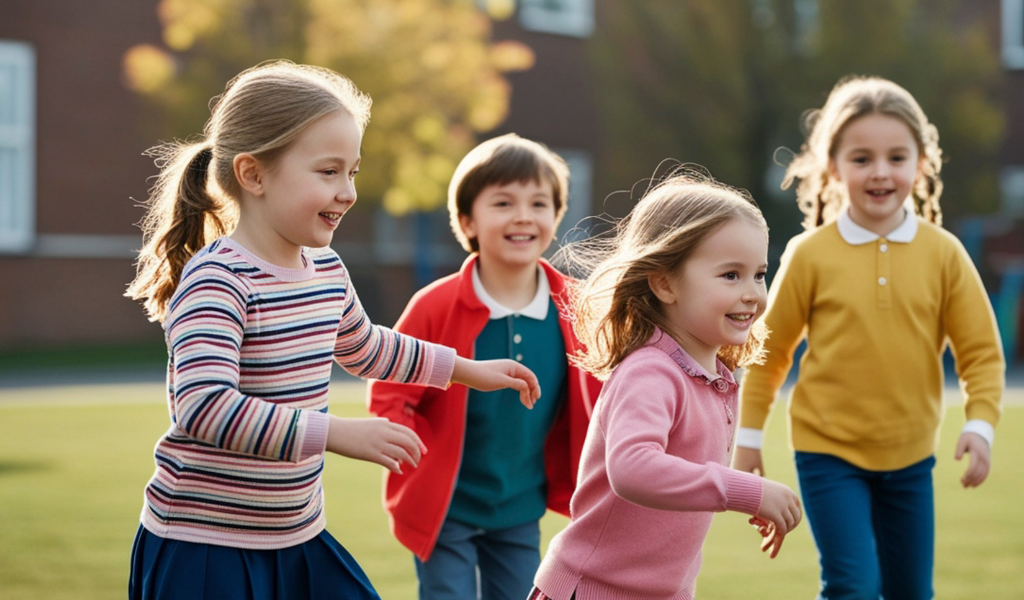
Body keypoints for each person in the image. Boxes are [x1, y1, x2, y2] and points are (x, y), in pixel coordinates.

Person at [123, 60, 541, 600]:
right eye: (328, 172)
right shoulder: (218, 279)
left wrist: (465, 370)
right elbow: (205, 407)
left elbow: (366, 347)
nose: (348, 192)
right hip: (205, 547)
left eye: (353, 172)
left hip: (296, 534)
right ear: (253, 175)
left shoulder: (325, 269)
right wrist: (338, 434)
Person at [733, 76, 1005, 600]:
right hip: (826, 453)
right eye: (861, 158)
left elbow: (981, 354)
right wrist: (748, 439)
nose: (880, 171)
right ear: (833, 166)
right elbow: (767, 354)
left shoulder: (944, 254)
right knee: (853, 586)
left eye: (896, 157)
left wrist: (981, 424)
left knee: (911, 592)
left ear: (920, 164)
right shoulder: (809, 255)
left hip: (911, 458)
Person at [529, 172, 803, 600]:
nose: (752, 293)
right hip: (590, 591)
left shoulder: (715, 378)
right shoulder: (650, 372)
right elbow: (633, 468)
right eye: (731, 275)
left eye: (759, 274)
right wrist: (744, 491)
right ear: (664, 283)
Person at [367, 133, 602, 600]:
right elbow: (391, 392)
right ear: (467, 220)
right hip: (446, 508)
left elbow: (604, 395)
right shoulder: (434, 306)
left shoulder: (578, 308)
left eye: (538, 203)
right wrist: (412, 452)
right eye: (503, 202)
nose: (523, 215)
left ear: (556, 217)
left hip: (520, 506)